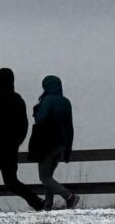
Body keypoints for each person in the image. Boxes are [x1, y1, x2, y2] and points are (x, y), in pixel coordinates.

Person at [0, 68, 45, 211]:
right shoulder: (17, 99)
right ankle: (36, 202)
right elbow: (23, 125)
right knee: (10, 181)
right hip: (10, 147)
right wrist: (16, 141)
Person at [31, 75, 79, 210]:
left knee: (44, 177)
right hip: (61, 144)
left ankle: (70, 197)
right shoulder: (66, 102)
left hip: (47, 144)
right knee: (49, 176)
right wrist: (68, 149)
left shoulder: (47, 100)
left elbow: (39, 119)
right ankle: (48, 204)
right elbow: (70, 127)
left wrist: (36, 111)